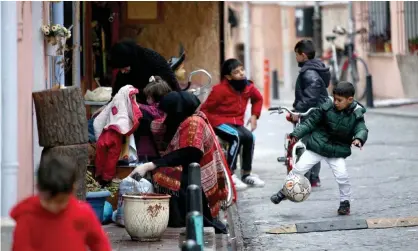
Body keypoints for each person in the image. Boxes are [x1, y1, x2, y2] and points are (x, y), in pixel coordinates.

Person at [129, 91, 232, 233]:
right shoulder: (186, 118)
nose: (165, 117)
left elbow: (189, 153)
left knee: (168, 176)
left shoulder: (194, 123)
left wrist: (151, 165)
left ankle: (184, 219)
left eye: (167, 113)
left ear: (176, 111)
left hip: (198, 175)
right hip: (192, 169)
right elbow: (157, 126)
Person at [270, 81, 368, 215]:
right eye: (335, 99)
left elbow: (361, 128)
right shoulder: (327, 106)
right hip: (317, 145)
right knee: (298, 169)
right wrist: (296, 134)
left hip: (337, 150)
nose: (336, 103)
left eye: (340, 100)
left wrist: (358, 138)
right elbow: (310, 122)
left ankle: (345, 202)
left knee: (342, 177)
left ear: (350, 100)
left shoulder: (356, 113)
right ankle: (284, 191)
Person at [10, 155, 112, 251]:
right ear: (38, 188)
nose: (54, 207)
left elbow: (99, 243)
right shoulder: (27, 215)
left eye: (61, 201)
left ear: (73, 189)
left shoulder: (82, 214)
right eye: (48, 201)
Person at [200, 58, 265, 190]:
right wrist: (204, 124)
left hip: (236, 122)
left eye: (242, 70)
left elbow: (258, 99)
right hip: (218, 121)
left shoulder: (248, 87)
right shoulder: (219, 90)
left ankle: (246, 174)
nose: (241, 73)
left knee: (250, 137)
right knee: (236, 136)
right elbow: (206, 108)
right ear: (228, 77)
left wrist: (254, 116)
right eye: (236, 72)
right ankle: (230, 174)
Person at [292, 39, 331, 187]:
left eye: (296, 55)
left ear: (303, 55)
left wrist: (298, 109)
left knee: (306, 143)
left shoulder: (309, 72)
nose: (296, 58)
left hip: (312, 113)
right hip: (319, 112)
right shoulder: (318, 67)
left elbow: (311, 93)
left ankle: (306, 177)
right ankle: (314, 177)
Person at [110, 40, 180, 103]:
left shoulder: (152, 59)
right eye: (120, 69)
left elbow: (165, 84)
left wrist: (135, 92)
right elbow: (118, 89)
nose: (122, 72)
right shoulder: (127, 66)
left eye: (123, 68)